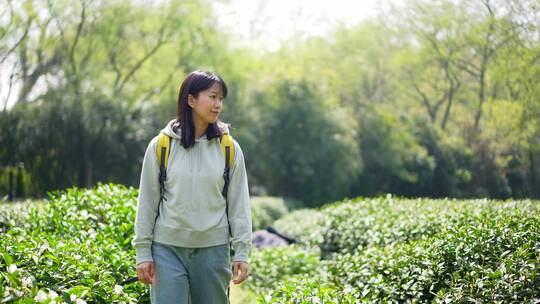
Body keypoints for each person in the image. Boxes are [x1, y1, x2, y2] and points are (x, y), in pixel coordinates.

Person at [132, 70, 253, 304]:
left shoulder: (229, 148)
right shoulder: (161, 146)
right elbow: (147, 202)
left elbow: (239, 205)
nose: (218, 104)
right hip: (166, 250)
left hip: (213, 251)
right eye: (213, 97)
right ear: (191, 100)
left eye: (221, 99)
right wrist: (143, 252)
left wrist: (242, 251)